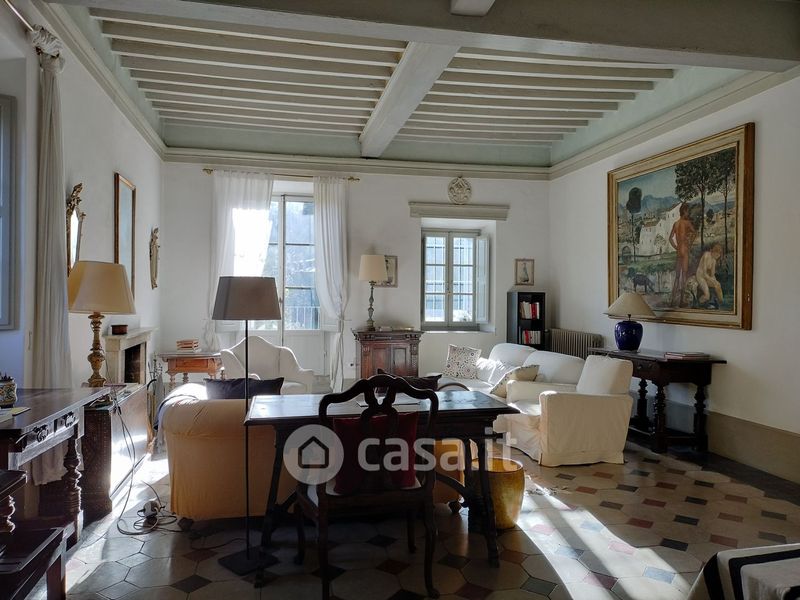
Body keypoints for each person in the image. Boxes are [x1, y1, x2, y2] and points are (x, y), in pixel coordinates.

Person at [669, 202, 696, 307]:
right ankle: (681, 301)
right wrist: (690, 244)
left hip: (678, 252)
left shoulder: (676, 224)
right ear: (684, 211)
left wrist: (676, 247)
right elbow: (695, 233)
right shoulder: (687, 223)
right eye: (688, 211)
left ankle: (672, 302)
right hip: (685, 250)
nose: (688, 213)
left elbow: (670, 238)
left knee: (677, 277)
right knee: (684, 276)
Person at [695, 243, 724, 308]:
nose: (718, 256)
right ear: (713, 251)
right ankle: (697, 304)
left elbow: (712, 274)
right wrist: (712, 280)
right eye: (717, 254)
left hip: (707, 277)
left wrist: (715, 282)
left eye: (719, 255)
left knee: (718, 285)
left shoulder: (714, 260)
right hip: (700, 276)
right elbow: (704, 273)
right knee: (707, 296)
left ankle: (721, 302)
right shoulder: (706, 255)